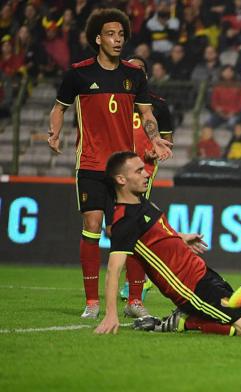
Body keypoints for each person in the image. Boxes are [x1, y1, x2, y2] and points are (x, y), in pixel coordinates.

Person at [47, 8, 173, 319]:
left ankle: (134, 300)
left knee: (129, 231)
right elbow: (59, 108)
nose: (118, 40)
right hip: (90, 163)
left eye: (121, 35)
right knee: (91, 227)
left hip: (124, 169)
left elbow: (147, 115)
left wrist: (154, 137)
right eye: (111, 35)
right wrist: (55, 132)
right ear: (97, 38)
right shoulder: (78, 74)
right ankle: (92, 302)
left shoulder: (134, 74)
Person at [95, 151, 241, 337]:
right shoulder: (124, 222)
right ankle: (184, 322)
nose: (147, 174)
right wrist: (111, 314)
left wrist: (180, 237)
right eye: (139, 171)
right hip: (189, 290)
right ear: (121, 179)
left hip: (203, 273)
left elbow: (158, 233)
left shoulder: (141, 202)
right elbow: (113, 270)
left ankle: (186, 318)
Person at [111, 55, 175, 315]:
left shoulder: (158, 106)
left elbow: (167, 142)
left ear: (145, 76)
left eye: (138, 70)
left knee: (131, 229)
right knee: (113, 228)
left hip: (140, 173)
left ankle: (134, 292)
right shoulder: (113, 102)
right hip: (111, 170)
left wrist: (154, 151)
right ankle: (124, 290)